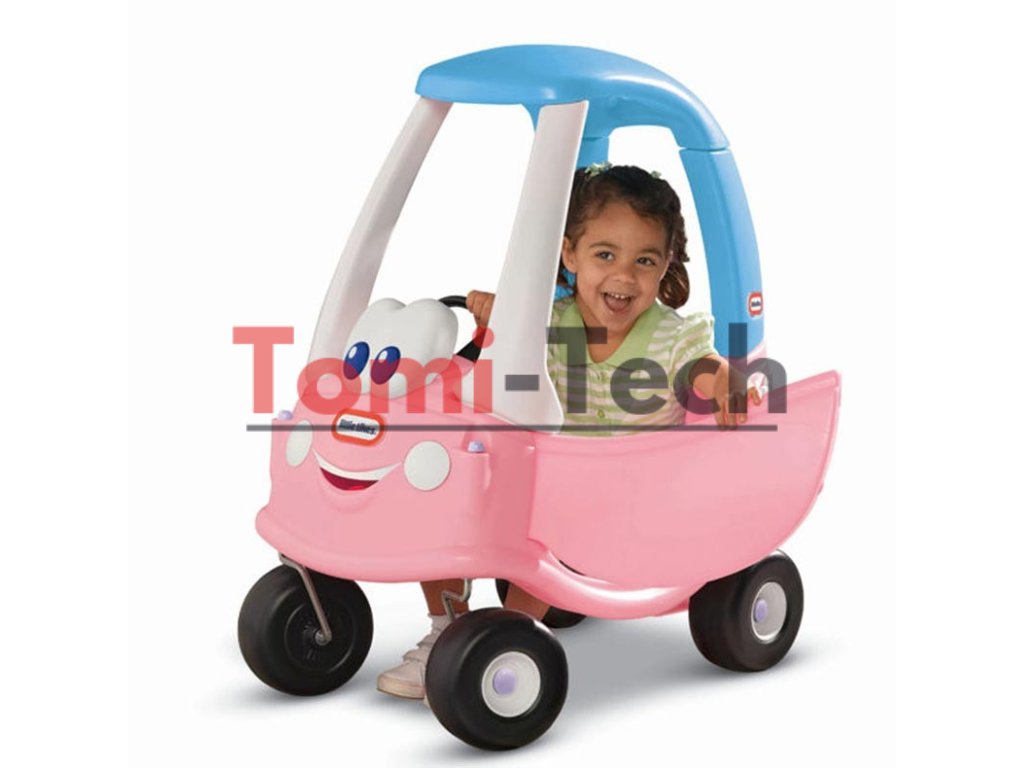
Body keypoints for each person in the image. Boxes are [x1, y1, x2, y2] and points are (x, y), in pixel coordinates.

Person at [376, 163, 762, 700]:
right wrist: (497, 317)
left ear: (665, 266)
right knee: (444, 488)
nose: (624, 277)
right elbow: (507, 342)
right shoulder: (547, 322)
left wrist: (721, 379)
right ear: (569, 255)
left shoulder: (672, 337)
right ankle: (447, 628)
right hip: (551, 487)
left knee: (547, 519)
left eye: (644, 260)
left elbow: (701, 365)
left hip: (632, 504)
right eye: (605, 255)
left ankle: (500, 643)